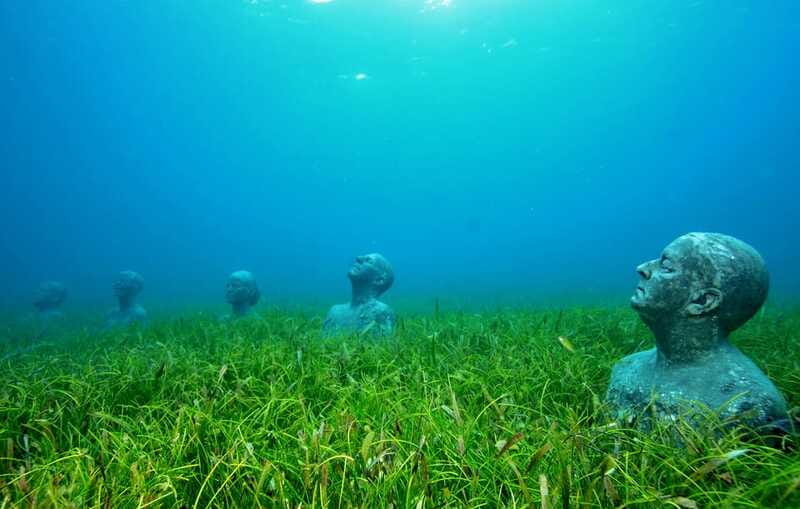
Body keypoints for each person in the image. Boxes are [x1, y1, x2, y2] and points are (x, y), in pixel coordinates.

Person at [606, 233, 790, 433]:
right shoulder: (625, 369)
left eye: (666, 266)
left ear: (703, 301)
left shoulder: (747, 404)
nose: (642, 268)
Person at [323, 253, 396, 337]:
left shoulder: (382, 312)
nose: (358, 258)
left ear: (380, 279)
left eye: (369, 261)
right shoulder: (334, 311)